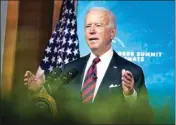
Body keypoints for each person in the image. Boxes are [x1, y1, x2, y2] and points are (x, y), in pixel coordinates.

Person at [24, 7, 153, 124]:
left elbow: (144, 116)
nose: (91, 31)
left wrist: (130, 94)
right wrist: (38, 92)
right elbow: (51, 110)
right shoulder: (69, 69)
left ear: (112, 33)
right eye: (88, 26)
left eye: (98, 25)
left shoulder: (132, 71)